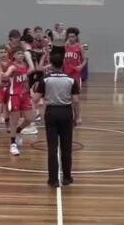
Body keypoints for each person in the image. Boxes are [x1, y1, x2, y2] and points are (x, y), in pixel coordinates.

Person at [32, 52, 81, 188]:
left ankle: (53, 179)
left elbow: (35, 99)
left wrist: (33, 92)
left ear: (51, 64)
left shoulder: (46, 79)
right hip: (66, 112)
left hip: (51, 112)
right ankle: (67, 177)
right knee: (66, 148)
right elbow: (76, 101)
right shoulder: (71, 80)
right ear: (63, 64)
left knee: (52, 148)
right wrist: (78, 117)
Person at [2, 46, 35, 156]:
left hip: (25, 95)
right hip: (15, 96)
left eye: (22, 53)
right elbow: (7, 74)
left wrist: (28, 57)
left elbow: (32, 70)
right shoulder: (13, 66)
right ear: (14, 56)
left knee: (30, 118)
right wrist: (5, 74)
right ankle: (13, 144)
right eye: (19, 54)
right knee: (14, 120)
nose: (21, 55)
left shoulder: (24, 65)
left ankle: (18, 131)